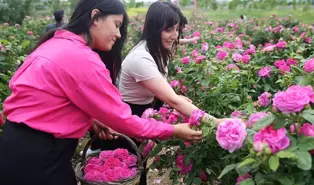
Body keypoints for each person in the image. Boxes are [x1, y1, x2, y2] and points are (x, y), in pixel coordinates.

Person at [0, 1, 203, 185]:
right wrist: (174, 130)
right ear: (96, 17)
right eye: (116, 24)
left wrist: (91, 120)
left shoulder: (54, 44)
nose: (119, 34)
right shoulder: (82, 58)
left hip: (13, 147)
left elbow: (44, 102)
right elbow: (125, 121)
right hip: (40, 159)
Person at [87, 2, 227, 185]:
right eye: (169, 29)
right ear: (154, 29)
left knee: (139, 166)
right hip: (124, 119)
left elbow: (164, 92)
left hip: (141, 111)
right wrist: (216, 123)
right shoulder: (141, 58)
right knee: (122, 171)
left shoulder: (157, 50)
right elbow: (173, 99)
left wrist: (169, 100)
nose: (175, 35)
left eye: (177, 29)